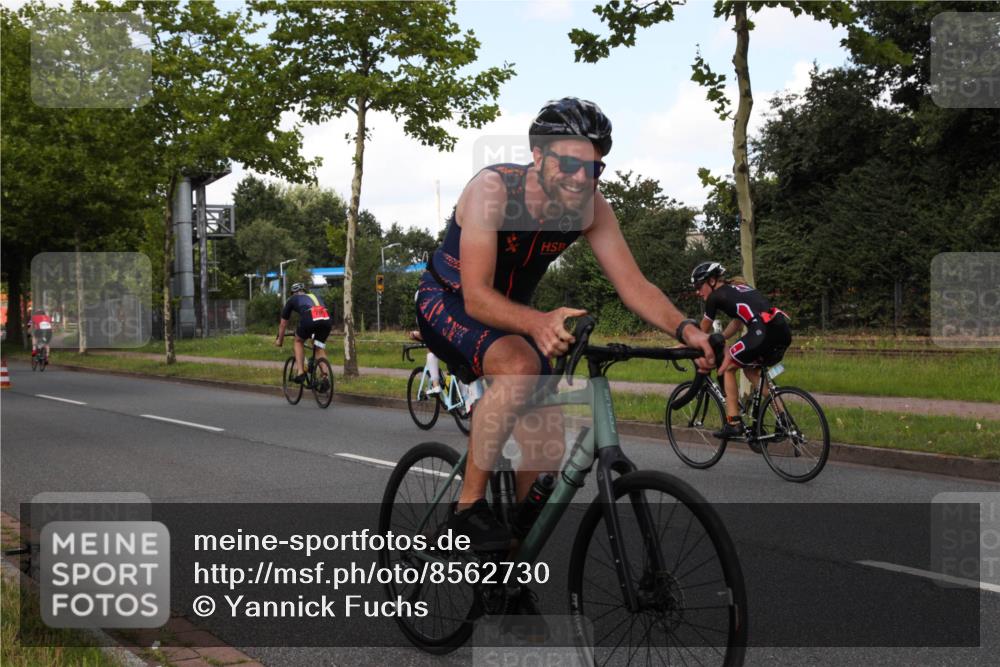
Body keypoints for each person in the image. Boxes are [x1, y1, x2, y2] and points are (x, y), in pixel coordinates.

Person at [415, 97, 715, 553]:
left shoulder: (591, 207)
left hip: (510, 315)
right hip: (449, 300)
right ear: (537, 156)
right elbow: (476, 296)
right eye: (569, 164)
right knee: (520, 365)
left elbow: (634, 286)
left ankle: (510, 561)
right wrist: (537, 322)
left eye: (593, 168)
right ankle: (467, 507)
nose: (581, 179)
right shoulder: (494, 191)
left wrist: (687, 330)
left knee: (548, 431)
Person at [690, 262, 792, 440]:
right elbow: (738, 322)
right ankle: (784, 419)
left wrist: (684, 345)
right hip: (781, 329)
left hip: (761, 333)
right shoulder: (739, 288)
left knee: (728, 367)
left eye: (699, 286)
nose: (698, 292)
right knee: (750, 371)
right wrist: (722, 337)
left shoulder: (715, 297)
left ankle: (733, 423)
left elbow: (702, 330)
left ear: (712, 281)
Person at [274, 283, 332, 385]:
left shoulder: (292, 299)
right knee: (318, 347)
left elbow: (283, 324)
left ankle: (300, 372)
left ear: (293, 293)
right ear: (304, 291)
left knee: (298, 341)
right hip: (326, 318)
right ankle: (325, 377)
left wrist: (280, 340)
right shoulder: (315, 296)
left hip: (310, 316)